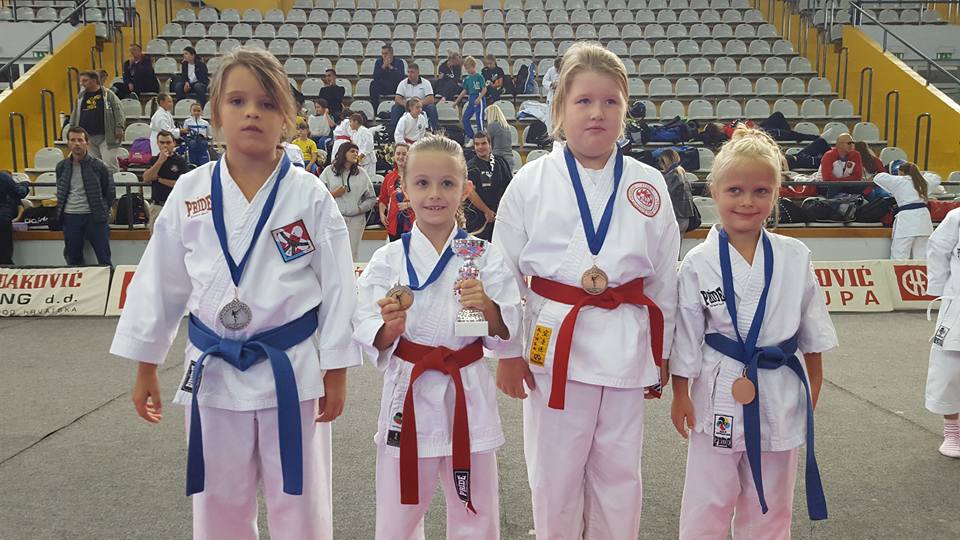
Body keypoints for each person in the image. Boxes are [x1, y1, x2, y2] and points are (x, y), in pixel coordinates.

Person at [110, 47, 360, 540]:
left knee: (301, 505)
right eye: (238, 101)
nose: (252, 113)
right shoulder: (190, 191)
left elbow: (338, 288)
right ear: (215, 111)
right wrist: (146, 364)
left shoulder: (309, 195)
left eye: (267, 104)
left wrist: (337, 370)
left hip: (291, 369)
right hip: (214, 372)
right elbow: (161, 281)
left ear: (287, 116)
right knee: (218, 506)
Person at [493, 42, 680, 539]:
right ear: (559, 109)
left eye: (610, 102)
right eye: (584, 101)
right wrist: (507, 351)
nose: (598, 112)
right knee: (554, 475)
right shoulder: (531, 181)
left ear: (625, 110)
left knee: (620, 476)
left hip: (627, 342)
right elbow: (502, 271)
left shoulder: (648, 183)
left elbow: (664, 275)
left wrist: (662, 350)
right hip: (554, 343)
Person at [671, 125, 838, 538]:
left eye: (761, 191)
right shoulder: (698, 262)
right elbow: (687, 336)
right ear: (714, 191)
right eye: (735, 190)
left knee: (773, 504)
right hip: (719, 390)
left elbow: (812, 334)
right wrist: (680, 394)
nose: (747, 201)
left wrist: (813, 388)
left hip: (780, 387)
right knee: (707, 498)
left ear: (776, 194)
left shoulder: (795, 256)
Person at [353, 134, 522, 540]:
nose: (434, 194)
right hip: (408, 393)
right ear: (404, 189)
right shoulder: (388, 258)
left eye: (447, 183)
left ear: (465, 189)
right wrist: (388, 329)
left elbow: (507, 329)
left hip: (466, 390)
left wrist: (488, 307)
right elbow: (363, 320)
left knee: (475, 511)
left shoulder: (484, 255)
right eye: (422, 183)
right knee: (399, 513)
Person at [922, 208, 960, 458]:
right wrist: (938, 287)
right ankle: (952, 432)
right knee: (949, 369)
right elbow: (937, 248)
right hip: (958, 302)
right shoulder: (957, 218)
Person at [56, 126, 115, 266]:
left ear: (86, 143)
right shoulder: (61, 166)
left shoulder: (99, 166)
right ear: (68, 143)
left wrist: (102, 209)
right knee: (73, 260)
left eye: (80, 140)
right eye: (73, 140)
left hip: (95, 218)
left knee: (104, 259)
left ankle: (109, 280)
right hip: (70, 217)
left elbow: (110, 193)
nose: (76, 143)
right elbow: (61, 189)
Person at [318, 142, 377, 258]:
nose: (356, 154)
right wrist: (334, 194)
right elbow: (319, 196)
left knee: (352, 254)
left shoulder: (361, 173)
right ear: (343, 153)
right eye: (352, 151)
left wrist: (359, 209)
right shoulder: (328, 172)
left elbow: (371, 198)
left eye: (357, 151)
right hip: (334, 219)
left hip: (356, 221)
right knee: (333, 254)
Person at [873, 160, 940, 259]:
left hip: (907, 220)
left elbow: (878, 177)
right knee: (922, 255)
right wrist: (921, 174)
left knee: (900, 253)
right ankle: (923, 270)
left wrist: (897, 176)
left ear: (901, 172)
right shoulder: (924, 182)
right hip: (924, 220)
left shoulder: (899, 181)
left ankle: (899, 270)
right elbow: (936, 178)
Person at [69, 70, 125, 174]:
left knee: (109, 164)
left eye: (85, 81)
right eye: (81, 81)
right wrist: (71, 129)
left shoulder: (108, 95)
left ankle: (114, 183)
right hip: (88, 137)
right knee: (93, 166)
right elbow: (74, 114)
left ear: (94, 81)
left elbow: (118, 110)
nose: (82, 83)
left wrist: (119, 126)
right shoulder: (80, 97)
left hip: (106, 137)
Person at [466, 132, 512, 241]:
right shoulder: (471, 167)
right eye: (477, 144)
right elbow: (471, 193)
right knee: (478, 249)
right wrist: (487, 211)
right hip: (478, 218)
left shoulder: (500, 162)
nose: (480, 147)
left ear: (490, 145)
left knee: (498, 247)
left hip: (500, 216)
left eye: (483, 143)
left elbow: (509, 187)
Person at [141, 129, 187, 229]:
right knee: (155, 237)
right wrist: (160, 161)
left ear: (174, 143)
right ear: (157, 144)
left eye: (168, 142)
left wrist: (160, 180)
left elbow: (181, 184)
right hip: (158, 206)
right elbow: (146, 178)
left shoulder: (180, 161)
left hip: (175, 206)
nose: (165, 145)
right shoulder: (154, 160)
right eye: (162, 143)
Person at [378, 143, 414, 242]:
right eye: (398, 154)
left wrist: (409, 205)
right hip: (394, 225)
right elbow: (383, 198)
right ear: (394, 156)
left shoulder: (417, 176)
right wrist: (382, 213)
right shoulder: (389, 177)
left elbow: (425, 198)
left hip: (412, 224)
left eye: (404, 154)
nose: (400, 157)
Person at [391, 64, 439, 132]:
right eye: (408, 72)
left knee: (431, 107)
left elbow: (431, 99)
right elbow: (397, 99)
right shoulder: (403, 83)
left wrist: (418, 104)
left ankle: (435, 131)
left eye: (412, 72)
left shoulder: (426, 83)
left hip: (421, 106)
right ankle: (394, 131)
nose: (409, 74)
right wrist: (407, 104)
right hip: (407, 107)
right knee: (395, 108)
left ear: (418, 73)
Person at [659, 149, 697, 234]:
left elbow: (666, 195)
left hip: (676, 217)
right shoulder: (681, 171)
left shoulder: (673, 175)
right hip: (684, 216)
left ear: (664, 161)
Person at [0, 170, 30, 264]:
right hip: (2, 218)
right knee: (4, 254)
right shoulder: (3, 177)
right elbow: (19, 193)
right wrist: (24, 184)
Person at [457, 56, 487, 140]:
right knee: (465, 118)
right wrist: (457, 101)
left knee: (479, 119)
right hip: (471, 99)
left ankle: (481, 137)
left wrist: (479, 98)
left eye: (469, 68)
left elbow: (484, 89)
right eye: (466, 69)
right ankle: (472, 137)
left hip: (478, 97)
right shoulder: (467, 79)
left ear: (474, 66)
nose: (467, 70)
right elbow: (464, 91)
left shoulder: (479, 77)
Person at [371, 44, 406, 109]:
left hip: (396, 87)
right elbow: (375, 77)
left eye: (386, 53)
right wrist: (383, 67)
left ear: (391, 54)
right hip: (384, 86)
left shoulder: (399, 62)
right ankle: (375, 109)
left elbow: (401, 78)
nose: (384, 55)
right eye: (382, 53)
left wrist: (390, 67)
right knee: (373, 84)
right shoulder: (378, 62)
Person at [483, 104, 513, 172]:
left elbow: (489, 145)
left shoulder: (492, 125)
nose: (485, 117)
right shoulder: (507, 127)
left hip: (498, 160)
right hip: (510, 159)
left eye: (486, 115)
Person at [542, 58, 561, 131]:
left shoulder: (566, 71)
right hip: (552, 97)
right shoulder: (551, 70)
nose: (558, 71)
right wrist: (551, 84)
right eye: (557, 69)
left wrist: (559, 84)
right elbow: (544, 81)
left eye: (559, 69)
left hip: (562, 97)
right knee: (550, 119)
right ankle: (550, 134)